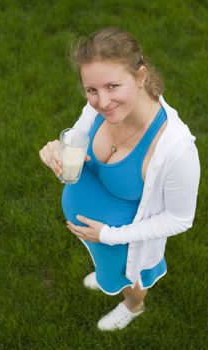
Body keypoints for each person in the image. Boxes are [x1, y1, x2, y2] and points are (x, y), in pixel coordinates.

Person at [39, 28, 200, 331]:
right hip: (95, 235)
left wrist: (109, 236)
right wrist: (57, 150)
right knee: (108, 270)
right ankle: (104, 270)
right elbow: (77, 137)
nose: (102, 101)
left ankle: (133, 306)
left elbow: (181, 219)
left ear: (141, 77)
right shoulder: (97, 107)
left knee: (133, 279)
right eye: (92, 90)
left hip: (126, 241)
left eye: (113, 86)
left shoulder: (176, 150)